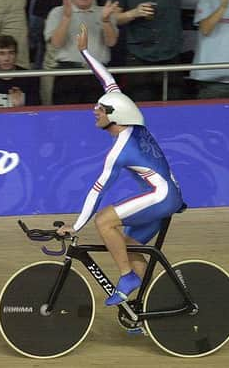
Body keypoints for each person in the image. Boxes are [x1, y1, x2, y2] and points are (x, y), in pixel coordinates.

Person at [57, 24, 183, 307]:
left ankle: (127, 277)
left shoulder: (121, 150)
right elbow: (108, 81)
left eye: (100, 110)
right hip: (169, 192)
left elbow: (97, 190)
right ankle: (139, 309)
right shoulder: (135, 123)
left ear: (115, 116)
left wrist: (76, 225)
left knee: (104, 221)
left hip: (161, 196)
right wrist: (85, 52)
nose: (95, 111)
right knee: (128, 243)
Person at [109, 0, 210, 101]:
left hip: (170, 54)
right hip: (138, 56)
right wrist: (134, 13)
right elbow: (114, 17)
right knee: (142, 111)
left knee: (174, 110)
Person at [45, 0, 118, 104]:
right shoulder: (57, 12)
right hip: (68, 74)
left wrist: (106, 21)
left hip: (98, 74)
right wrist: (66, 18)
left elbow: (111, 42)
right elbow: (56, 43)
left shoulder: (104, 12)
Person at [0, 35, 40, 108]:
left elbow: (35, 112)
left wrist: (21, 104)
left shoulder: (29, 77)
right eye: (2, 53)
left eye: (11, 53)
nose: (7, 58)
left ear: (16, 55)